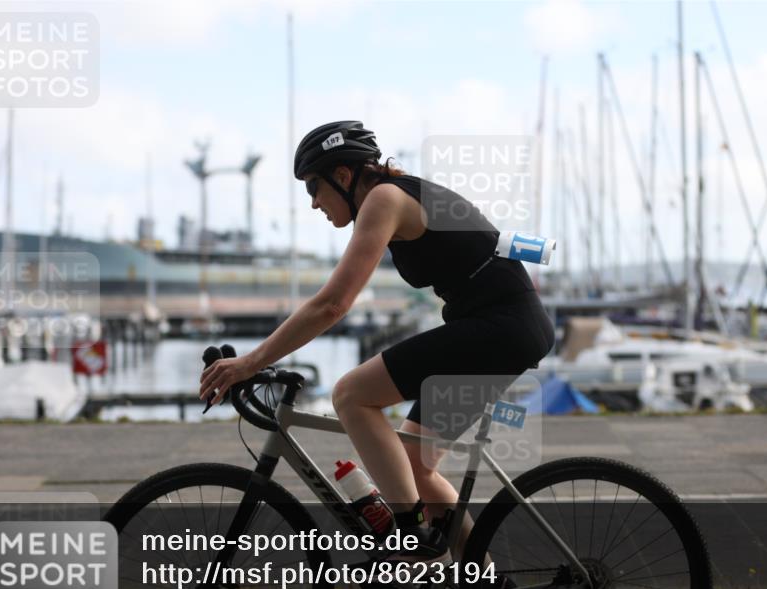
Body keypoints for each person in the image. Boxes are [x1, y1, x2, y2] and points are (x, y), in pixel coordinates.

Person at [199, 121, 554, 563]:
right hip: (507, 327)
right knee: (416, 466)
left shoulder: (385, 199)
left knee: (350, 394)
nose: (313, 203)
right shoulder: (396, 194)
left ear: (344, 176)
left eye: (315, 187)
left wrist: (251, 361)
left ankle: (409, 535)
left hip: (500, 326)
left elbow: (332, 304)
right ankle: (481, 583)